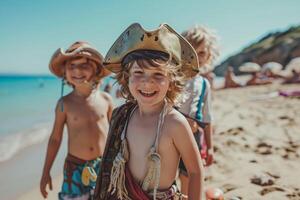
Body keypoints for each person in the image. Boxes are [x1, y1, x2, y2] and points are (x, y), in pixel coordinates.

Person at [94, 23, 204, 200]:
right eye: (139, 73)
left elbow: (195, 171)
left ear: (172, 81)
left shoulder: (174, 122)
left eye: (158, 74)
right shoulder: (124, 115)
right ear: (126, 78)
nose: (147, 82)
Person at [40, 41, 114, 200]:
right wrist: (46, 172)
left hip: (103, 166)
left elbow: (117, 135)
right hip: (74, 168)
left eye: (84, 65)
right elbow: (55, 138)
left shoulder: (106, 100)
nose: (77, 70)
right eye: (71, 66)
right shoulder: (64, 104)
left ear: (96, 69)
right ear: (64, 72)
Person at [178, 25, 219, 197]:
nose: (196, 56)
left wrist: (210, 147)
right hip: (166, 136)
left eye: (201, 53)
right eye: (191, 50)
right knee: (165, 179)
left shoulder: (204, 84)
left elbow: (207, 118)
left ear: (209, 56)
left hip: (193, 139)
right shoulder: (173, 78)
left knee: (189, 177)